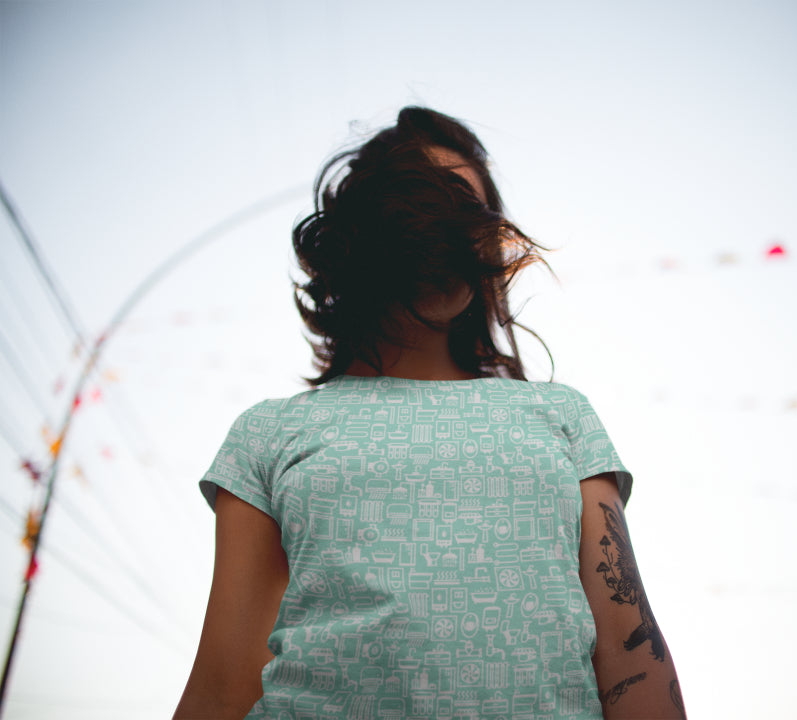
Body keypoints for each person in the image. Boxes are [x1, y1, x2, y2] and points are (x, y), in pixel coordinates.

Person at [174, 107, 685, 720]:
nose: (446, 222)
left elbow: (632, 656)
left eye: (466, 207)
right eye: (422, 198)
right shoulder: (270, 433)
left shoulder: (561, 416)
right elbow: (223, 687)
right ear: (361, 232)